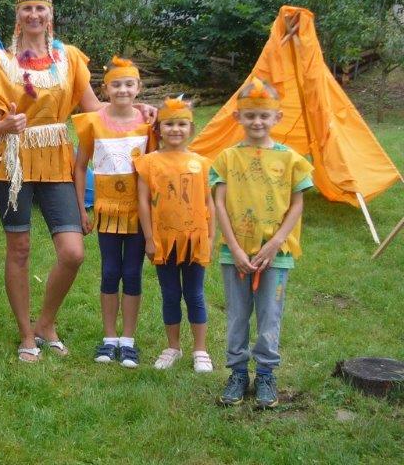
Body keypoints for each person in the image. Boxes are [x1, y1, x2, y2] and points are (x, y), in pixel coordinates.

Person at [0, 0, 157, 362]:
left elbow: (95, 108)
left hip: (57, 156)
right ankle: (26, 334)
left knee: (73, 251)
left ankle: (46, 322)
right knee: (19, 248)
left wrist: (137, 111)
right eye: (27, 8)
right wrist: (4, 126)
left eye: (40, 8)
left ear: (50, 13)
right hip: (12, 161)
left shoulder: (69, 57)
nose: (34, 15)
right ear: (17, 15)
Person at [210, 78, 314, 408]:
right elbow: (219, 203)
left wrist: (276, 242)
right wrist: (235, 247)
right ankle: (238, 373)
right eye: (250, 115)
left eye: (264, 116)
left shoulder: (291, 160)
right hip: (235, 253)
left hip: (276, 254)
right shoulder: (227, 159)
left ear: (277, 117)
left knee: (269, 315)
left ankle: (266, 374)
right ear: (238, 117)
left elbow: (297, 204)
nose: (257, 122)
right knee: (237, 315)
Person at [72, 56, 151, 368]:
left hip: (138, 213)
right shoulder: (93, 122)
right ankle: (109, 337)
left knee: (132, 273)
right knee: (109, 271)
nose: (123, 90)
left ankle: (128, 339)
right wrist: (82, 208)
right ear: (105, 90)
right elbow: (80, 167)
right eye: (116, 85)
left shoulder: (148, 123)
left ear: (138, 87)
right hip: (106, 212)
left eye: (129, 84)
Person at [135, 97, 215, 373]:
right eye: (169, 124)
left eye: (182, 124)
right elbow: (143, 201)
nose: (175, 130)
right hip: (164, 241)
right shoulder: (148, 163)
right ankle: (173, 347)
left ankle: (200, 349)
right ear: (158, 129)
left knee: (195, 294)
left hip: (194, 240)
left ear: (191, 128)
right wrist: (149, 238)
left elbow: (210, 203)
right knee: (170, 294)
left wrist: (210, 238)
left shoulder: (202, 163)